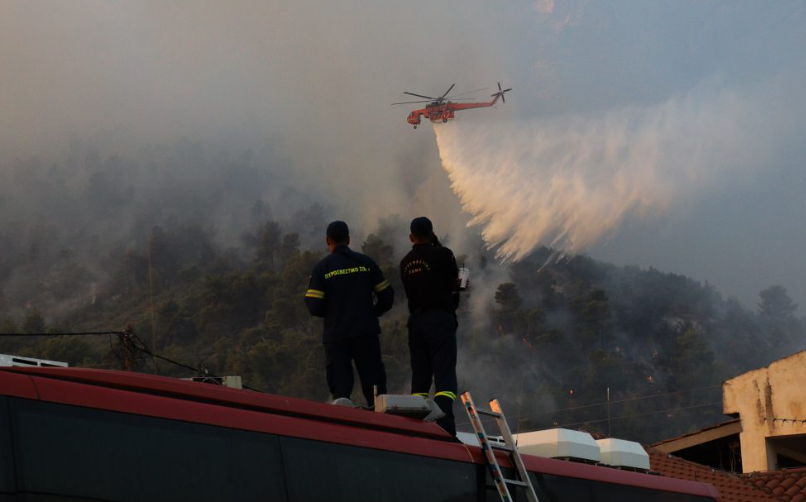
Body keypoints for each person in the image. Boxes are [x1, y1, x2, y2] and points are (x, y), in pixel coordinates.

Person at [305, 221, 394, 407]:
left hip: (336, 337)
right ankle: (379, 422)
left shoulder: (322, 268)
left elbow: (314, 307)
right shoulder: (366, 263)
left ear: (327, 241)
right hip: (366, 334)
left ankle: (344, 423)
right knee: (375, 391)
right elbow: (387, 297)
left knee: (341, 394)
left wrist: (333, 312)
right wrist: (372, 313)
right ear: (348, 239)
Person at [399, 216, 460, 436]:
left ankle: (417, 427)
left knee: (420, 377)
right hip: (440, 319)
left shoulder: (405, 262)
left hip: (416, 323)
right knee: (444, 375)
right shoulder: (443, 254)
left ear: (411, 237)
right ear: (432, 232)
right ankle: (445, 426)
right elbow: (457, 283)